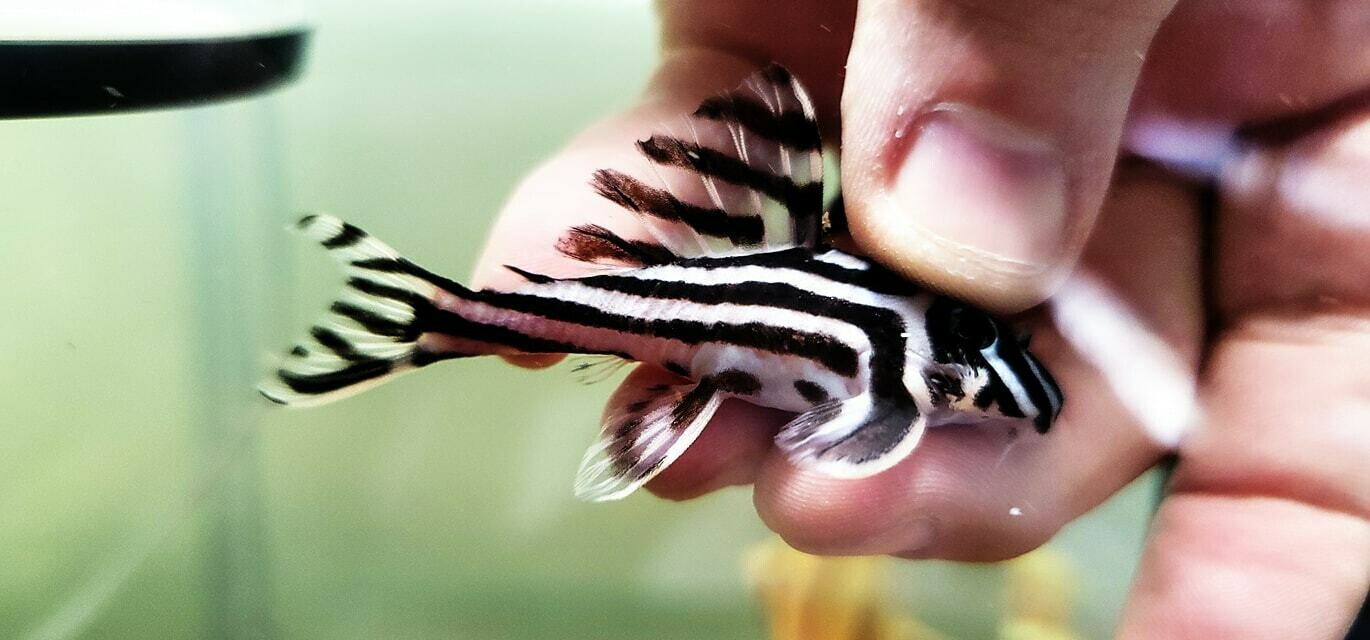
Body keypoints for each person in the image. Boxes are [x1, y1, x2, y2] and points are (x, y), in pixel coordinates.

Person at [473, 2, 1370, 637]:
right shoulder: (907, 373)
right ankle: (453, 319)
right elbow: (848, 442)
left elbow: (845, 442)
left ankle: (451, 320)